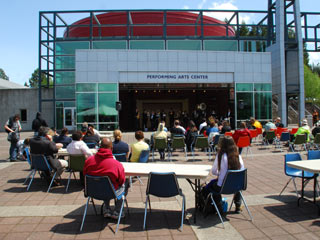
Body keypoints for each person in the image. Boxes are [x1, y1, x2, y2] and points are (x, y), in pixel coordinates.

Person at [83, 138, 127, 219]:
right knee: (124, 184)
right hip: (110, 192)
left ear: (100, 147)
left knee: (104, 184)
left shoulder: (88, 161)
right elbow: (121, 181)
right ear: (111, 148)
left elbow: (85, 175)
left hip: (92, 191)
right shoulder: (116, 164)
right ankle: (117, 211)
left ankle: (106, 209)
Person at [203, 136, 244, 214]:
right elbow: (241, 172)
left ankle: (219, 207)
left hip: (222, 186)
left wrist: (221, 173)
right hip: (237, 186)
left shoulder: (221, 156)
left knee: (211, 187)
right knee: (237, 185)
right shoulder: (238, 156)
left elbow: (214, 171)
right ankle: (238, 206)